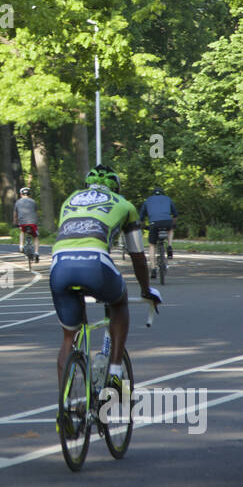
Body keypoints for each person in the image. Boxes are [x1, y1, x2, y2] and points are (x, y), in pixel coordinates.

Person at [50, 165, 160, 434]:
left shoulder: (70, 200)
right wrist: (146, 289)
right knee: (119, 301)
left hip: (59, 265)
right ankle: (114, 370)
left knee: (69, 338)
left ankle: (65, 406)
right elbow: (136, 255)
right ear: (116, 187)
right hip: (96, 263)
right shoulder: (125, 204)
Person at [139, 186, 178, 260]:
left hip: (154, 223)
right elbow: (175, 214)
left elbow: (141, 217)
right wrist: (174, 224)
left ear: (153, 194)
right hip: (167, 221)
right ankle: (169, 246)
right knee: (171, 228)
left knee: (152, 245)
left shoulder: (148, 200)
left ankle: (153, 268)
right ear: (163, 193)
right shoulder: (168, 198)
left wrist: (143, 226)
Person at [14, 186, 39, 254]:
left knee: (22, 231)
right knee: (36, 237)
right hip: (33, 222)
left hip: (22, 222)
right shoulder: (33, 201)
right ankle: (36, 252)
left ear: (21, 194)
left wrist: (15, 222)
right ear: (29, 194)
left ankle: (21, 246)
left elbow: (15, 214)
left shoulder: (18, 202)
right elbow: (36, 212)